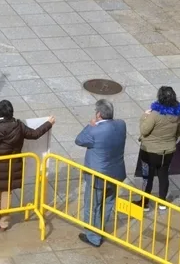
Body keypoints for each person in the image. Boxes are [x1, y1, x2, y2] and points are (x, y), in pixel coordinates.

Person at [0, 100, 54, 231]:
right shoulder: (19, 126)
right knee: (7, 193)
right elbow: (35, 134)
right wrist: (48, 123)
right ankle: (4, 222)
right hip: (12, 166)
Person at [75, 99, 126, 248]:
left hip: (97, 176)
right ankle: (100, 229)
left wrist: (90, 126)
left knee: (93, 205)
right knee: (108, 203)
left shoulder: (95, 130)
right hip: (115, 174)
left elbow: (79, 140)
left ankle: (93, 236)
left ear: (98, 114)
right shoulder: (121, 125)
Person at [137, 86, 180, 209]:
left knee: (147, 177)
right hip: (168, 152)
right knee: (163, 176)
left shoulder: (155, 114)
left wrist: (144, 116)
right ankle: (162, 202)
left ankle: (144, 203)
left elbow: (144, 130)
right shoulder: (178, 114)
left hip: (150, 151)